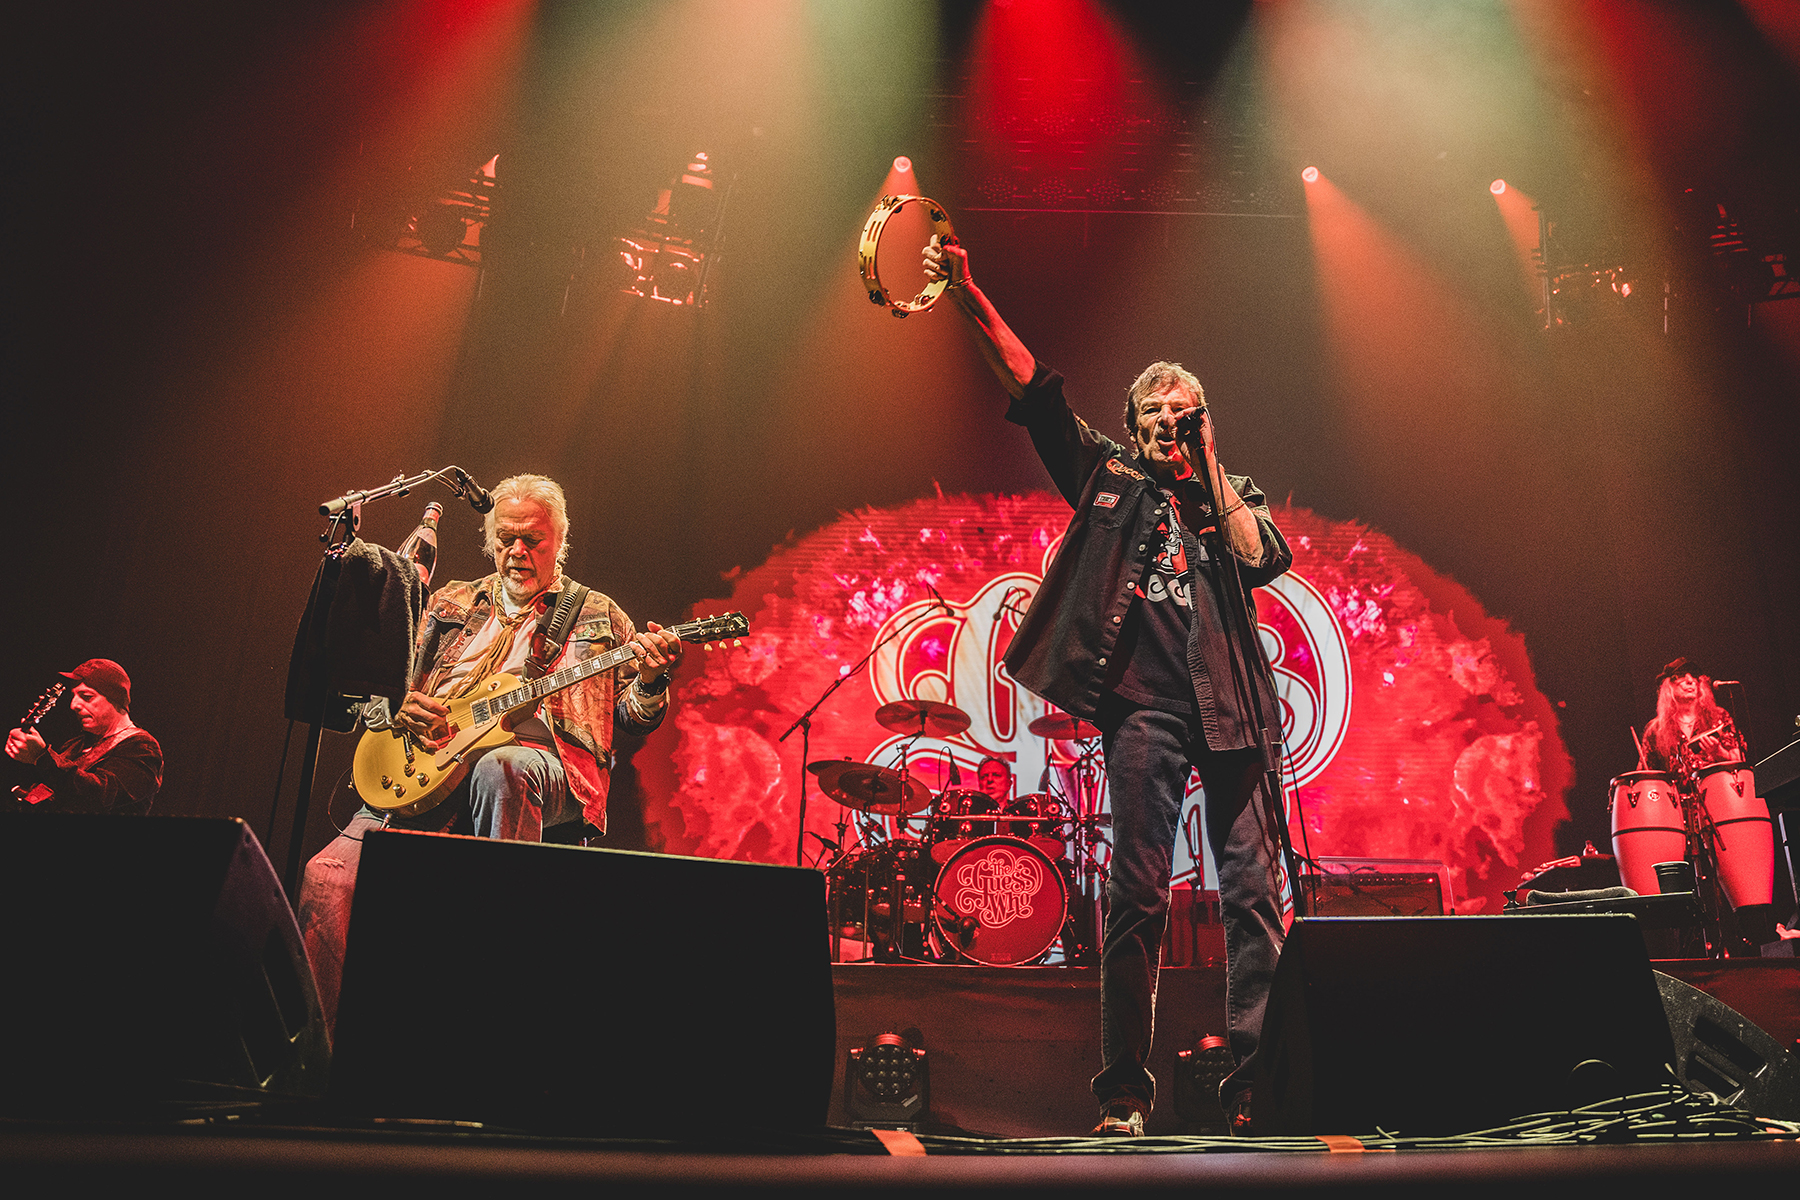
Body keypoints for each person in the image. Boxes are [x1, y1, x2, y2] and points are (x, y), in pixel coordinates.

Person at [925, 236, 1293, 1136]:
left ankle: (1258, 1087)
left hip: (1235, 713)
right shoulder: (1108, 477)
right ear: (1133, 427)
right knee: (1137, 899)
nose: (1171, 421)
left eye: (1185, 410)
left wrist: (1211, 467)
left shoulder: (1232, 492)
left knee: (1254, 896)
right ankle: (1124, 1095)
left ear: (1204, 421)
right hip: (1144, 713)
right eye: (1156, 412)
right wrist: (967, 293)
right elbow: (1033, 387)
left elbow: (1260, 559)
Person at [299, 474, 684, 1031]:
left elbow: (631, 716)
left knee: (502, 767)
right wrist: (394, 707)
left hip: (544, 767)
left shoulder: (597, 613)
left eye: (533, 540)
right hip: (431, 764)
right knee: (326, 879)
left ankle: (496, 984)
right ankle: (320, 1058)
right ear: (489, 540)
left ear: (559, 541)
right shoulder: (450, 600)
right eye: (506, 539)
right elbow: (383, 685)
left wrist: (651, 680)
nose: (517, 551)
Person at [1639, 657, 1775, 951]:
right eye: (1680, 676)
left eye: (1694, 676)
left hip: (1720, 812)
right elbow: (1648, 777)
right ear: (1668, 687)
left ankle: (1743, 941)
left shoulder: (1718, 718)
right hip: (1677, 819)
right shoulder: (1655, 730)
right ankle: (1693, 947)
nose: (1690, 680)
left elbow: (1740, 763)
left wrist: (1720, 755)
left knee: (1731, 880)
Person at [6, 658, 162, 815]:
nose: (73, 705)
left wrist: (42, 758)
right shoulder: (75, 745)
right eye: (73, 696)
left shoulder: (142, 747)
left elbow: (99, 798)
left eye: (87, 696)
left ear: (116, 699)